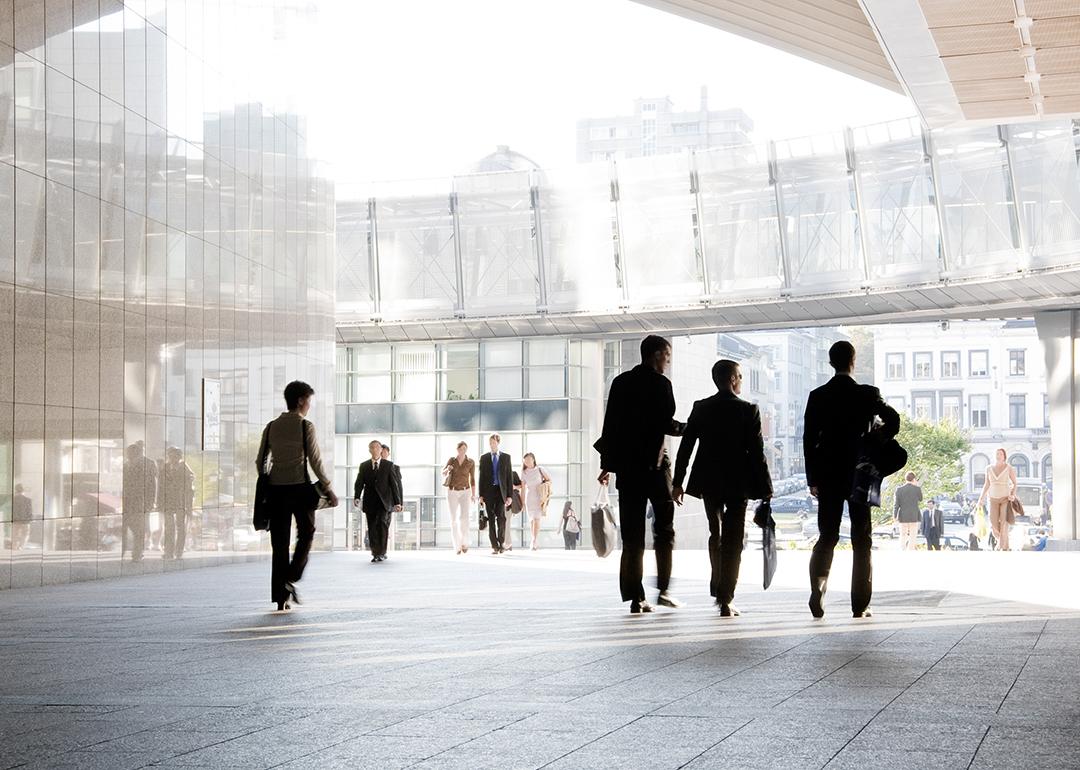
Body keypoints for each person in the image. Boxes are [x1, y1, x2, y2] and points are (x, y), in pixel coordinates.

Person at [803, 340, 899, 619]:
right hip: (859, 474)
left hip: (829, 474)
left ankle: (818, 588)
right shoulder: (868, 394)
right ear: (853, 361)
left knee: (827, 535)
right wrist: (877, 436)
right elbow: (893, 419)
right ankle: (860, 604)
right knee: (861, 538)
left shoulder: (818, 395)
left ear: (830, 363)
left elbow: (809, 440)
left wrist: (813, 478)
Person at [673, 359, 773, 617]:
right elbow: (757, 454)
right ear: (732, 379)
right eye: (740, 376)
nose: (741, 381)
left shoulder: (701, 407)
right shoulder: (749, 410)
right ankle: (726, 597)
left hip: (709, 482)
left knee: (715, 533)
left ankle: (718, 586)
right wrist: (765, 487)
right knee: (734, 541)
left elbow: (686, 447)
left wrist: (678, 482)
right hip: (738, 484)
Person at [596, 334, 686, 614]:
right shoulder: (661, 384)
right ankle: (664, 590)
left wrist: (608, 465)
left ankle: (636, 596)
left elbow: (610, 425)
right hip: (656, 469)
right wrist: (690, 428)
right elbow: (666, 423)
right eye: (667, 356)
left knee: (632, 536)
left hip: (628, 470)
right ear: (657, 354)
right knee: (664, 531)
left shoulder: (621, 383)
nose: (668, 361)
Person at [256, 381, 338, 611]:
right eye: (309, 400)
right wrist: (328, 487)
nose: (309, 405)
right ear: (301, 400)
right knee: (307, 534)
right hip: (300, 488)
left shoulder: (272, 426)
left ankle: (281, 596)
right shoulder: (305, 426)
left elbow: (260, 461)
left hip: (275, 491)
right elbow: (315, 461)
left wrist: (268, 480)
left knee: (279, 543)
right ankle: (291, 577)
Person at [354, 439, 403, 563]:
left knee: (382, 525)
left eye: (377, 447)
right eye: (372, 447)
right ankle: (375, 553)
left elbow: (394, 485)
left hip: (384, 502)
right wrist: (357, 497)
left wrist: (397, 502)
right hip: (370, 502)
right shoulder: (364, 465)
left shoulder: (388, 465)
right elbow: (359, 482)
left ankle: (382, 551)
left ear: (381, 450)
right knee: (371, 527)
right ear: (369, 450)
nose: (375, 449)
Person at [122, 441, 158, 563]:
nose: (128, 456)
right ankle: (133, 551)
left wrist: (151, 502)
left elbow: (152, 485)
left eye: (130, 454)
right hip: (127, 503)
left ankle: (137, 553)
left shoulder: (149, 464)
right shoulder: (126, 466)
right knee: (133, 527)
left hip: (141, 502)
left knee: (139, 528)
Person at [478, 434, 514, 554]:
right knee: (491, 518)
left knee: (502, 518)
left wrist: (510, 496)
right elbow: (481, 477)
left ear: (498, 443)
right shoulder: (484, 458)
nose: (492, 444)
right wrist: (481, 495)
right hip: (488, 492)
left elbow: (509, 478)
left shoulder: (506, 458)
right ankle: (494, 545)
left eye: (494, 442)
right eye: (490, 442)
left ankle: (501, 542)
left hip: (501, 491)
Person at [976, 448, 1017, 551]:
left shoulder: (1009, 468)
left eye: (1000, 454)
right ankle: (1004, 543)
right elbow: (986, 484)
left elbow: (1014, 483)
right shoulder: (988, 468)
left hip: (1005, 499)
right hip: (992, 499)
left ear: (1004, 456)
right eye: (997, 454)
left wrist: (1013, 494)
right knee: (993, 523)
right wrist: (981, 499)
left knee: (1004, 523)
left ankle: (1002, 547)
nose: (998, 455)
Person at [161, 446, 195, 560]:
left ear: (179, 457)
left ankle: (179, 550)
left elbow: (190, 487)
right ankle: (168, 551)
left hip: (181, 502)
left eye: (175, 455)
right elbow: (160, 486)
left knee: (180, 528)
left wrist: (189, 505)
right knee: (169, 528)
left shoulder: (185, 468)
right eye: (170, 455)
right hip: (168, 503)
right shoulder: (165, 467)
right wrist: (159, 503)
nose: (172, 458)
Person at [442, 441, 476, 554]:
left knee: (464, 518)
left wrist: (473, 494)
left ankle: (464, 543)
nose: (462, 451)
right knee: (453, 519)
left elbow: (473, 479)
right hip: (452, 491)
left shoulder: (470, 462)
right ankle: (457, 546)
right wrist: (448, 469)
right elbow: (443, 472)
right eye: (460, 449)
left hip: (466, 491)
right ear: (457, 450)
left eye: (464, 449)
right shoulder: (452, 460)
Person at [520, 452, 551, 551]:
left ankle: (534, 540)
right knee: (532, 520)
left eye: (529, 460)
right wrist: (522, 503)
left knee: (537, 518)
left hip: (539, 496)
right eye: (525, 461)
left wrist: (543, 488)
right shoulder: (523, 472)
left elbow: (549, 480)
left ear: (533, 459)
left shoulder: (540, 469)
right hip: (530, 497)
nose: (527, 462)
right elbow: (523, 489)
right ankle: (534, 540)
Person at [893, 473, 923, 551]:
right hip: (914, 515)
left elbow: (896, 504)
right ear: (914, 479)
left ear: (905, 479)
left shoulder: (899, 489)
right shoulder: (917, 489)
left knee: (903, 534)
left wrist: (894, 515)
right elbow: (921, 499)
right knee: (913, 534)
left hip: (903, 516)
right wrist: (916, 485)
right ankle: (911, 549)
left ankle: (903, 549)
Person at [11, 484, 32, 550]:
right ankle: (20, 546)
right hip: (25, 521)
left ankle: (14, 546)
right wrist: (30, 519)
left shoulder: (13, 499)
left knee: (15, 534)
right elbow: (29, 511)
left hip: (15, 520)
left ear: (16, 490)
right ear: (23, 491)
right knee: (25, 534)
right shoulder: (28, 500)